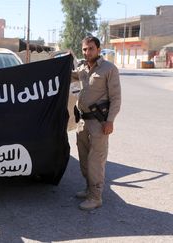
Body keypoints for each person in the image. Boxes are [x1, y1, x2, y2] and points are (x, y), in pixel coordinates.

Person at [72, 36, 121, 210]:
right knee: (84, 158)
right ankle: (89, 189)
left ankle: (96, 196)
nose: (87, 52)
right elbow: (69, 78)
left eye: (91, 48)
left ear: (98, 50)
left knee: (96, 160)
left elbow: (116, 98)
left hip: (99, 123)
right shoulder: (82, 68)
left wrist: (110, 121)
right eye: (84, 49)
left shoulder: (109, 69)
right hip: (83, 121)